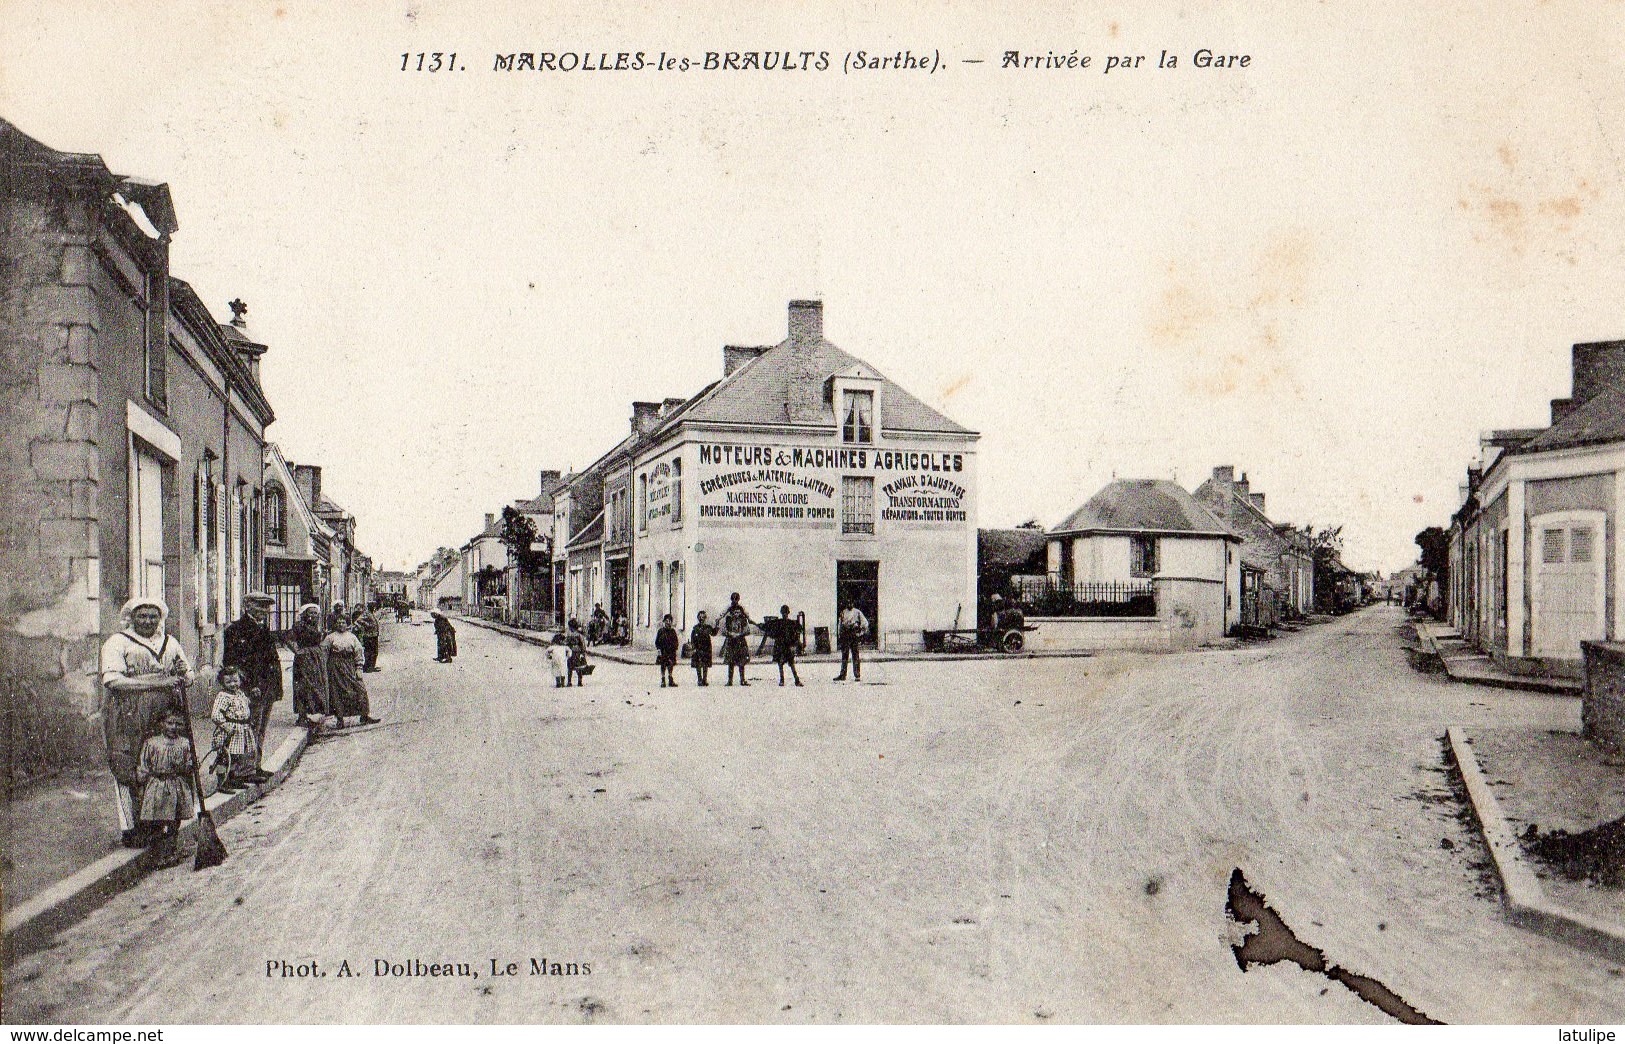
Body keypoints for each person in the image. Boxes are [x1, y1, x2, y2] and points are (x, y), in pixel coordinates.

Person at [100, 596, 195, 847]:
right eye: (142, 616)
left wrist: (186, 677)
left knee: (162, 762)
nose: (148, 621)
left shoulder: (170, 642)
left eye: (153, 616)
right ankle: (131, 827)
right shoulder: (118, 642)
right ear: (131, 618)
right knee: (129, 766)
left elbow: (187, 670)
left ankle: (159, 821)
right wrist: (156, 682)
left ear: (160, 618)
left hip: (164, 711)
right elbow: (112, 680)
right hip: (128, 712)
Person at [221, 591, 282, 778]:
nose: (264, 610)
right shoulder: (235, 630)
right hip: (249, 689)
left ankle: (255, 765)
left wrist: (276, 687)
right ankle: (244, 770)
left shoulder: (264, 629)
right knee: (247, 729)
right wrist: (249, 685)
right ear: (247, 606)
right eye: (260, 606)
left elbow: (272, 660)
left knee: (260, 728)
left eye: (266, 607)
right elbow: (232, 664)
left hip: (266, 687)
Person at [138, 708, 196, 867]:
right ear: (161, 724)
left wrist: (186, 766)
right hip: (158, 785)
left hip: (176, 784)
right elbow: (143, 766)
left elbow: (190, 764)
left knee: (174, 821)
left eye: (177, 724)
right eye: (169, 723)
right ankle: (158, 855)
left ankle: (171, 851)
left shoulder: (184, 743)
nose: (173, 727)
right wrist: (143, 781)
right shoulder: (152, 743)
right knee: (158, 821)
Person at [209, 665, 259, 792]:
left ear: (240, 680)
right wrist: (225, 726)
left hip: (241, 730)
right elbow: (216, 714)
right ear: (222, 683)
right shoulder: (223, 696)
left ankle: (234, 778)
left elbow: (245, 705)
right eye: (228, 682)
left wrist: (253, 698)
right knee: (225, 756)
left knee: (237, 756)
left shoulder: (240, 693)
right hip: (229, 731)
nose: (233, 684)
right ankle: (223, 782)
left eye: (235, 681)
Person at [323, 616, 378, 728]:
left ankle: (364, 715)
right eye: (338, 623)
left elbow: (358, 651)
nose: (341, 625)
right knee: (337, 693)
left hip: (350, 666)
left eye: (343, 622)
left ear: (347, 624)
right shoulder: (330, 638)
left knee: (360, 689)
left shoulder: (352, 637)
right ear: (335, 625)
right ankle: (340, 719)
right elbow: (324, 653)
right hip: (335, 667)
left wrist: (359, 668)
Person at [290, 605, 331, 724]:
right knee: (303, 684)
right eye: (311, 613)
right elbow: (288, 639)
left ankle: (313, 712)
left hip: (316, 657)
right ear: (305, 614)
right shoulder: (299, 626)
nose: (313, 615)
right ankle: (302, 715)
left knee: (317, 683)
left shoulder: (316, 626)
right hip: (304, 657)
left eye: (315, 613)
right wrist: (297, 651)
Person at [720, 593, 752, 687]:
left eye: (736, 599)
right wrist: (730, 634)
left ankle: (742, 680)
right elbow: (724, 630)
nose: (736, 614)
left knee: (741, 662)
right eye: (735, 612)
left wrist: (740, 634)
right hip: (731, 642)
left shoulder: (743, 618)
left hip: (741, 642)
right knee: (731, 662)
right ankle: (730, 681)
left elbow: (747, 630)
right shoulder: (728, 619)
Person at [833, 600, 869, 682]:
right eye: (848, 603)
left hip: (853, 635)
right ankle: (842, 675)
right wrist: (839, 635)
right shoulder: (843, 612)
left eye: (851, 603)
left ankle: (857, 675)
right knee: (844, 656)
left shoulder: (857, 612)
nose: (849, 604)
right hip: (845, 635)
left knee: (855, 655)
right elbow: (840, 624)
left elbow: (865, 623)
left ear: (853, 603)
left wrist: (860, 633)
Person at [769, 605, 803, 687]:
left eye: (786, 613)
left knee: (791, 664)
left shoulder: (788, 623)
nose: (785, 614)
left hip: (786, 645)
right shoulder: (779, 623)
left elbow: (798, 630)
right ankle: (782, 680)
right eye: (784, 613)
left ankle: (796, 680)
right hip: (780, 645)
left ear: (788, 613)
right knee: (781, 663)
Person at [689, 611, 715, 687]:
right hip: (698, 648)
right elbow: (692, 639)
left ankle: (704, 680)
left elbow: (713, 633)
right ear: (698, 618)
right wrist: (693, 647)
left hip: (706, 648)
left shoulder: (708, 627)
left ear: (705, 618)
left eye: (703, 617)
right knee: (698, 664)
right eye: (700, 617)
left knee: (705, 664)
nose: (701, 619)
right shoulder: (695, 628)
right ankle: (699, 680)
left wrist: (716, 625)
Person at [655, 614, 680, 688]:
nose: (668, 623)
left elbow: (676, 641)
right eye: (666, 621)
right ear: (664, 622)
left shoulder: (673, 631)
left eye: (669, 621)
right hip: (663, 651)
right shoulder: (661, 631)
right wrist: (659, 650)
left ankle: (670, 679)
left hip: (671, 651)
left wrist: (675, 648)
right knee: (663, 665)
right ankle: (663, 680)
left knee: (670, 665)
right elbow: (657, 642)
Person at [355, 605, 381, 672]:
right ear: (369, 607)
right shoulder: (366, 613)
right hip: (368, 636)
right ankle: (367, 667)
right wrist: (366, 625)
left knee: (374, 651)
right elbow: (358, 621)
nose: (374, 607)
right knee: (369, 651)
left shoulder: (372, 613)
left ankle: (372, 666)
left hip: (374, 635)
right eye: (372, 606)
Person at [565, 619, 590, 685]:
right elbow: (583, 644)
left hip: (571, 652)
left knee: (570, 668)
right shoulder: (579, 635)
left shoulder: (569, 635)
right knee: (578, 667)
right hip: (577, 652)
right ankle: (579, 681)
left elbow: (566, 643)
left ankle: (569, 682)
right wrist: (583, 652)